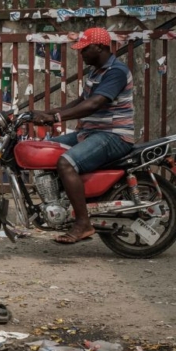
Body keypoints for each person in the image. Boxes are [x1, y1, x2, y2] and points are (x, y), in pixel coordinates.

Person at [32, 27, 134, 244]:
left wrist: (56, 117)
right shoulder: (95, 71)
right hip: (89, 133)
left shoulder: (116, 71)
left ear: (99, 47)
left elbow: (94, 104)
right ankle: (62, 206)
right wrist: (47, 113)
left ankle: (83, 223)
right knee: (43, 150)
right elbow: (81, 102)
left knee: (66, 163)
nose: (81, 53)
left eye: (85, 49)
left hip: (113, 135)